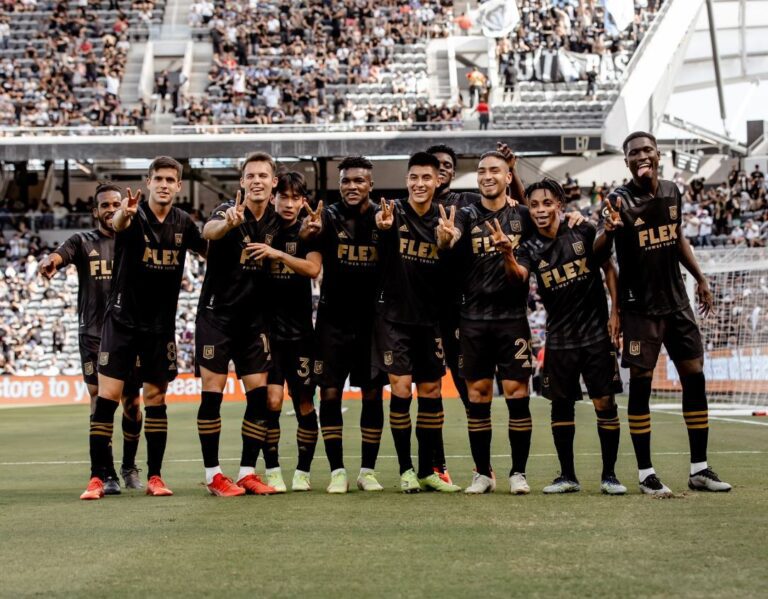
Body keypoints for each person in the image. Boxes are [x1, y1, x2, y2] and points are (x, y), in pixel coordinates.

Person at [597, 131, 731, 495]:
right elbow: (597, 254)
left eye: (646, 150)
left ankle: (699, 469)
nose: (641, 156)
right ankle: (645, 473)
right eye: (633, 153)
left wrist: (700, 278)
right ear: (626, 162)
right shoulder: (618, 200)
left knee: (694, 374)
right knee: (641, 385)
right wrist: (607, 233)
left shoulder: (672, 190)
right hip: (640, 308)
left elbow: (676, 237)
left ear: (658, 155)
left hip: (677, 303)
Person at [80, 157, 207, 500]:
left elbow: (210, 249)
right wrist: (124, 211)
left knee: (155, 399)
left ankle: (154, 475)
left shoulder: (184, 222)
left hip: (159, 326)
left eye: (170, 179)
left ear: (178, 186)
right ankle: (97, 477)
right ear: (148, 182)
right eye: (158, 178)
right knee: (106, 399)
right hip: (121, 322)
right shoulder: (132, 214)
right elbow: (119, 222)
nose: (164, 184)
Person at [502, 178, 627, 495]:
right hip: (559, 336)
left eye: (547, 203)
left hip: (596, 332)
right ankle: (567, 476)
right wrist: (507, 256)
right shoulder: (528, 246)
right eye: (534, 205)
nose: (541, 210)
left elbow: (608, 268)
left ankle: (609, 476)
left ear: (560, 204)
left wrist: (616, 313)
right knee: (561, 405)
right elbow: (519, 277)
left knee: (604, 402)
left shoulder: (582, 230)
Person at [39, 183, 143, 494]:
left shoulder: (136, 239)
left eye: (116, 203)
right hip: (94, 334)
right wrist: (50, 263)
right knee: (99, 402)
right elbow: (59, 255)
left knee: (132, 404)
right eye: (105, 205)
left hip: (130, 333)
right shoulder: (82, 242)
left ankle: (129, 466)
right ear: (94, 211)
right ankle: (105, 473)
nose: (111, 209)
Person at [194, 152, 281, 497]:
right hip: (217, 316)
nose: (257, 181)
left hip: (254, 321)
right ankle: (214, 474)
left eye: (263, 175)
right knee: (212, 395)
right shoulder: (226, 211)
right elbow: (209, 230)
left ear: (273, 183)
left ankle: (247, 472)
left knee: (259, 399)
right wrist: (228, 224)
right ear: (242, 182)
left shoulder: (277, 221)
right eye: (251, 176)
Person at [373, 152, 461, 493]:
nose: (420, 184)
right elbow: (379, 255)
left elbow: (450, 259)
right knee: (399, 390)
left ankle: (428, 470)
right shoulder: (390, 213)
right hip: (394, 319)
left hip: (431, 321)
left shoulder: (446, 217)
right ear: (407, 179)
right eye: (414, 177)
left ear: (438, 180)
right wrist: (383, 232)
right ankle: (406, 469)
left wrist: (446, 242)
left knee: (432, 392)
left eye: (427, 178)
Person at [299, 156, 387, 493]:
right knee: (330, 394)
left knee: (372, 396)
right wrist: (306, 235)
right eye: (346, 181)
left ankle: (368, 470)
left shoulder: (384, 217)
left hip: (371, 324)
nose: (352, 186)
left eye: (359, 181)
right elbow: (312, 261)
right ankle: (337, 471)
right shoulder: (326, 218)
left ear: (370, 184)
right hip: (332, 321)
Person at [245, 171, 322, 492]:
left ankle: (303, 471)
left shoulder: (310, 232)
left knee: (305, 402)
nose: (289, 204)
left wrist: (278, 254)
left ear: (303, 201)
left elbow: (313, 269)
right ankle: (273, 469)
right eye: (284, 197)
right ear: (274, 197)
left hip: (302, 333)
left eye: (295, 198)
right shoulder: (264, 228)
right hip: (268, 334)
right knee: (272, 402)